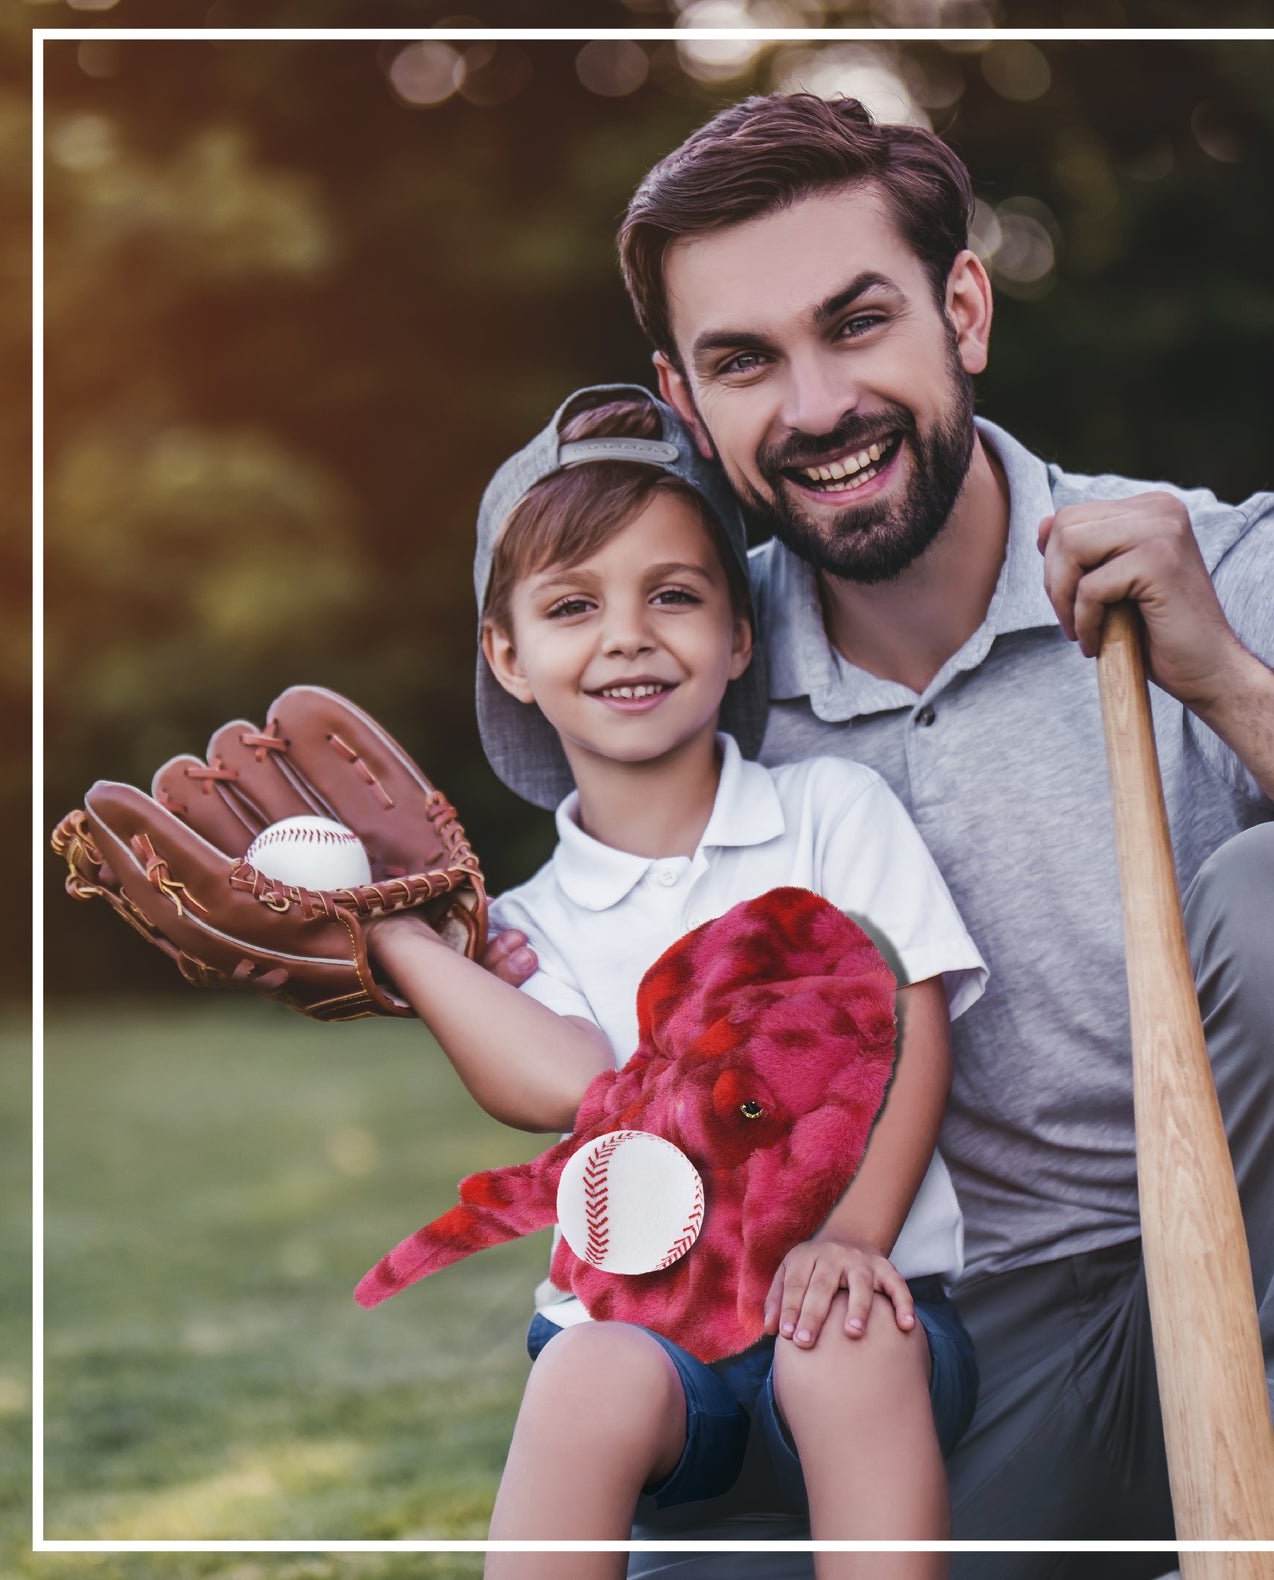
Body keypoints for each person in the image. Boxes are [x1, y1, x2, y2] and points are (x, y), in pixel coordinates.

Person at [481, 94, 1274, 1578]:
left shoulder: (1232, 566)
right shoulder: (688, 664)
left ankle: (1268, 1556)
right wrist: (380, 939)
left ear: (965, 307)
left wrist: (1231, 684)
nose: (812, 407)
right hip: (948, 1350)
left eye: (856, 323)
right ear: (684, 396)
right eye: (744, 361)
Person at [368, 384, 989, 1580]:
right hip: (661, 1365)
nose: (626, 635)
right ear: (507, 653)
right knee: (585, 1368)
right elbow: (572, 1084)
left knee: (842, 1334)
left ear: (739, 631)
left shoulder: (828, 815)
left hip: (866, 1318)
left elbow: (910, 1033)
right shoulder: (526, 927)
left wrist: (853, 1234)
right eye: (568, 605)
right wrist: (404, 940)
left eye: (672, 594)